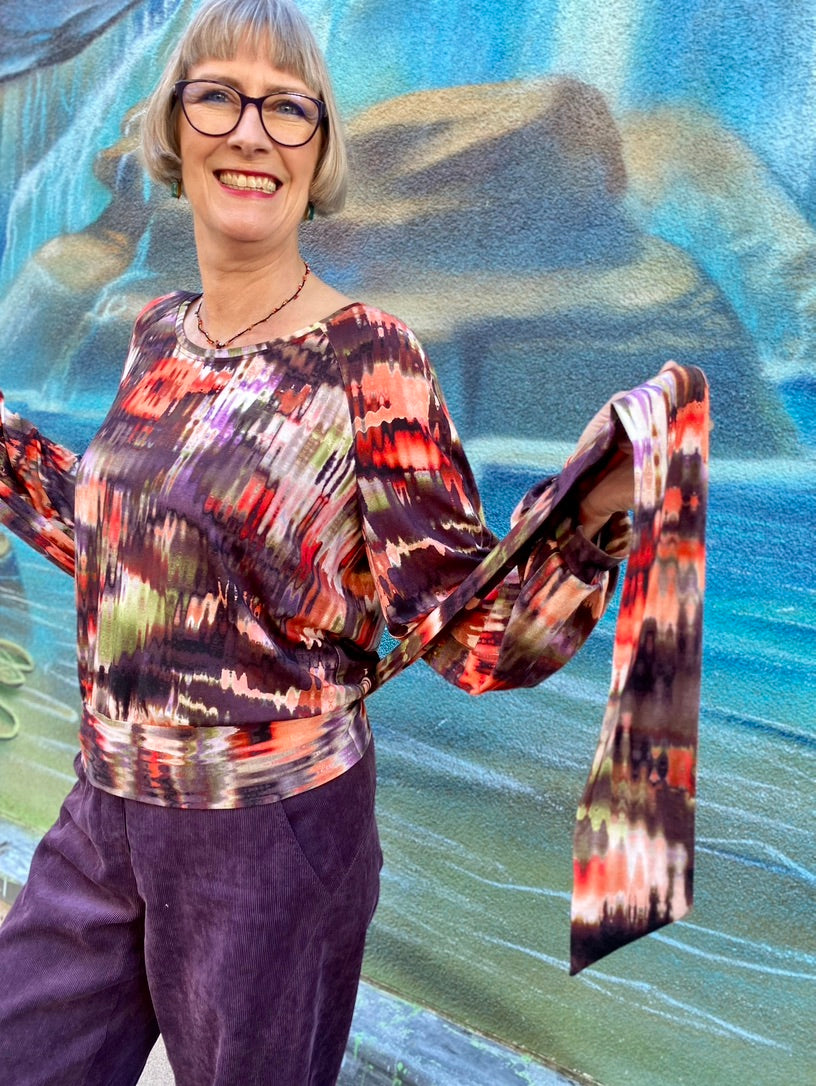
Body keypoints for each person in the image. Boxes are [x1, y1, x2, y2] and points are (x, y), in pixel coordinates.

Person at [0, 1, 634, 1083]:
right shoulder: (158, 333)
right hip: (105, 806)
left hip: (268, 842)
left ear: (320, 147)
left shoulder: (369, 358)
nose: (251, 132)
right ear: (174, 128)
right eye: (218, 97)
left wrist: (587, 518)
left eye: (286, 108)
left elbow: (468, 633)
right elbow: (127, 550)